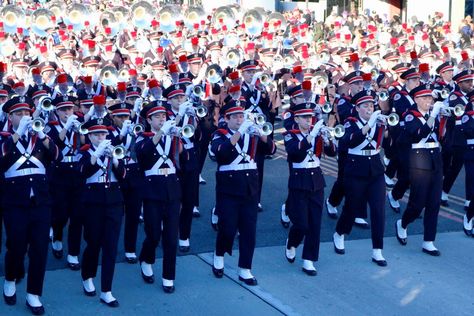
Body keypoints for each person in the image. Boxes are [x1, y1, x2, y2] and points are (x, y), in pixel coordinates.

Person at [0, 96, 61, 315]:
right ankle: (10, 278)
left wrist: (43, 134)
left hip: (41, 201)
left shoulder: (40, 136)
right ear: (10, 117)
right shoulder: (4, 137)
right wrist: (16, 135)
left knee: (39, 248)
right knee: (16, 246)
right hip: (15, 202)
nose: (24, 117)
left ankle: (34, 294)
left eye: (26, 113)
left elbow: (56, 155)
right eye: (19, 114)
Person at [210, 100, 275, 285]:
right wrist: (239, 133)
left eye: (242, 116)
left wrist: (261, 135)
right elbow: (220, 153)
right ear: (227, 119)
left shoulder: (252, 135)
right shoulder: (219, 134)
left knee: (249, 230)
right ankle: (219, 254)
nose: (240, 119)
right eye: (236, 117)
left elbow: (272, 149)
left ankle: (245, 268)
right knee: (228, 227)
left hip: (250, 187)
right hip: (228, 188)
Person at [332, 91, 388, 266]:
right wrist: (369, 125)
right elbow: (352, 141)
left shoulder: (377, 122)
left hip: (376, 170)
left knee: (378, 210)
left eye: (371, 106)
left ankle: (377, 250)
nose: (369, 109)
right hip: (356, 169)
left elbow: (386, 142)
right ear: (357, 108)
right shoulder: (350, 123)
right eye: (365, 106)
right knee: (352, 207)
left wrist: (386, 128)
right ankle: (340, 233)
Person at [283, 102, 336, 275]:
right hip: (299, 181)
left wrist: (328, 139)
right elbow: (296, 154)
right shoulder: (291, 135)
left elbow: (332, 153)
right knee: (301, 224)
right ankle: (292, 242)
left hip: (316, 180)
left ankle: (309, 259)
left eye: (310, 117)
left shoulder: (317, 135)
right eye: (305, 117)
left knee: (314, 223)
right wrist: (311, 135)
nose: (308, 120)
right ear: (296, 118)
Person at [78, 118, 126, 307]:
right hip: (93, 203)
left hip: (114, 201)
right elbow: (82, 172)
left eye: (104, 134)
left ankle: (107, 290)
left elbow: (124, 175)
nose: (102, 137)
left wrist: (114, 159)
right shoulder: (85, 153)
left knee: (111, 247)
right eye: (97, 135)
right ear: (90, 137)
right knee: (93, 243)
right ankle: (87, 275)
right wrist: (96, 154)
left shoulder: (113, 152)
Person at [136, 102, 182, 293]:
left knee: (171, 238)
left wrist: (179, 139)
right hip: (152, 191)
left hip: (171, 188)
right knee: (153, 234)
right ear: (148, 120)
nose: (162, 119)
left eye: (163, 115)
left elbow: (183, 158)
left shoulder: (171, 137)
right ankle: (146, 259)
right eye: (157, 117)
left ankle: (168, 277)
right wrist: (162, 132)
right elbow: (143, 153)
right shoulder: (142, 137)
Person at [395, 84, 444, 256]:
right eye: (424, 98)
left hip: (435, 158)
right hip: (419, 158)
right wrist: (433, 116)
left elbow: (442, 136)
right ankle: (403, 223)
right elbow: (417, 134)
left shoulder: (435, 115)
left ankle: (429, 241)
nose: (428, 100)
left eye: (430, 98)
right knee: (417, 203)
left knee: (434, 203)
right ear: (416, 99)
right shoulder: (410, 115)